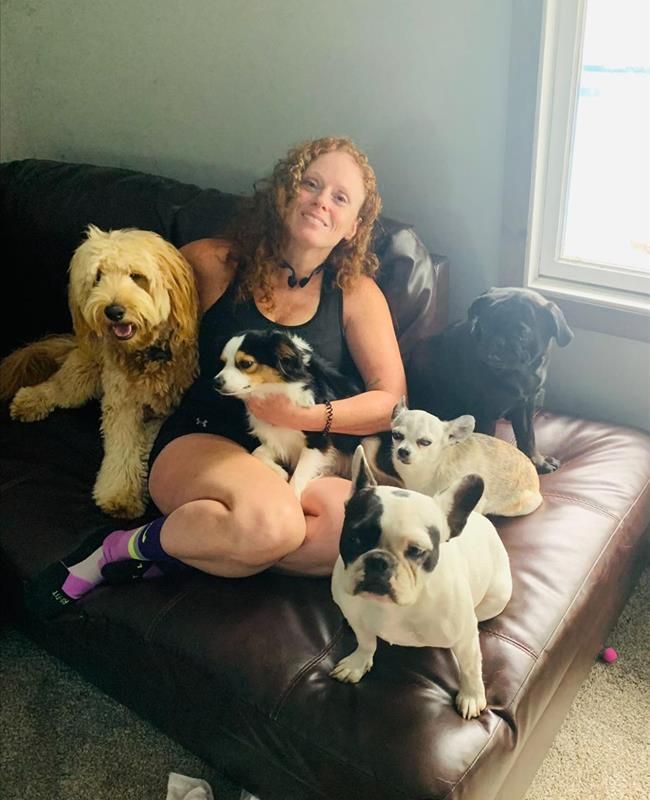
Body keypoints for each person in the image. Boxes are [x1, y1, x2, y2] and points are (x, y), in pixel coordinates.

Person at [28, 135, 406, 619]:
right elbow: (135, 324)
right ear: (284, 193)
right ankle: (117, 549)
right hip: (205, 437)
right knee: (275, 526)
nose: (320, 202)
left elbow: (390, 400)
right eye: (310, 184)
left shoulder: (357, 294)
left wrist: (308, 413)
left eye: (340, 197)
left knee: (354, 534)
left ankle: (184, 547)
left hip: (294, 451)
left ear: (354, 226)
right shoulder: (212, 263)